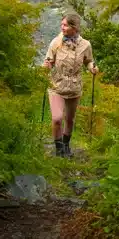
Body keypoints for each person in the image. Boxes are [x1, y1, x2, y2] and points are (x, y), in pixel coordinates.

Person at [43, 12, 98, 157]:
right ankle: (59, 149)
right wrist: (46, 66)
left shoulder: (85, 45)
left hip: (74, 87)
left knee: (70, 119)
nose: (62, 27)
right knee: (56, 118)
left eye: (65, 25)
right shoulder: (56, 42)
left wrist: (92, 68)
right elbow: (49, 61)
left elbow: (88, 61)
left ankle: (66, 146)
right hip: (57, 85)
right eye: (61, 24)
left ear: (74, 27)